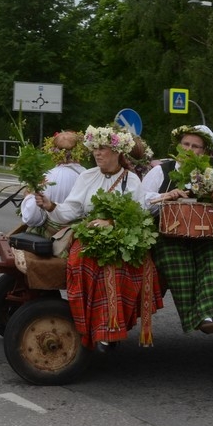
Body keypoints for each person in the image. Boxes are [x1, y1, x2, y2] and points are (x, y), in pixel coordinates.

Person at [34, 125, 163, 349]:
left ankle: (110, 329)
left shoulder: (130, 180)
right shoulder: (86, 176)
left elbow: (137, 215)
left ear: (117, 152)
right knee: (79, 263)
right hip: (88, 233)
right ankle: (88, 328)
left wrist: (111, 223)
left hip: (122, 236)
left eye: (102, 148)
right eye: (94, 148)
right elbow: (72, 210)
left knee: (117, 268)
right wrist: (51, 205)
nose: (97, 153)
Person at [141, 125, 213, 335]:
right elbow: (141, 202)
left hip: (204, 234)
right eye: (186, 144)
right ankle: (200, 317)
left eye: (196, 146)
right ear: (179, 145)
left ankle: (206, 315)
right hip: (169, 234)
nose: (190, 149)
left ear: (204, 151)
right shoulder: (161, 171)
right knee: (177, 262)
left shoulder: (212, 174)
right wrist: (165, 196)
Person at [19, 131, 86, 232]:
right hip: (79, 236)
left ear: (54, 151)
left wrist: (28, 197)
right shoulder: (87, 175)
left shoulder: (46, 177)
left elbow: (32, 218)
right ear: (80, 151)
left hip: (52, 237)